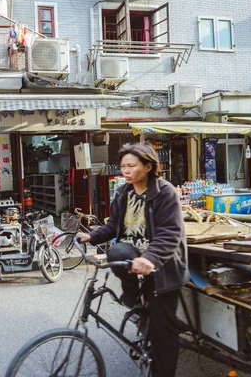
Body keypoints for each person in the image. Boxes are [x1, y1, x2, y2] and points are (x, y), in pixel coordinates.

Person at [79, 142, 189, 377]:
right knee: (117, 251)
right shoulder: (123, 192)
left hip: (162, 267)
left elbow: (170, 232)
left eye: (131, 165)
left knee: (163, 330)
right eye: (123, 166)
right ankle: (133, 296)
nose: (126, 170)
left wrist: (150, 258)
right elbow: (112, 226)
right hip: (133, 260)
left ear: (148, 166)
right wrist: (91, 236)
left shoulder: (165, 191)